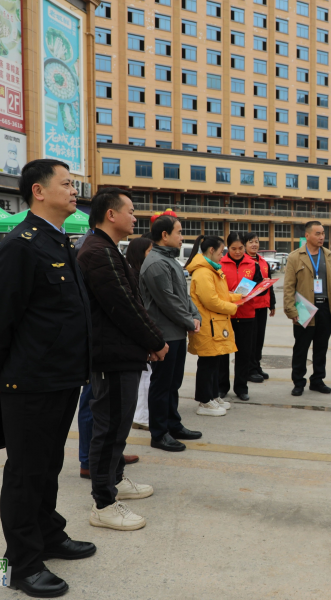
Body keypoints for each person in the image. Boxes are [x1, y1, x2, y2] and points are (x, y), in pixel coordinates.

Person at [0, 159, 95, 598]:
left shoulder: (56, 240)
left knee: (48, 465)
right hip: (28, 380)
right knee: (26, 471)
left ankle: (48, 534)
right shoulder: (21, 244)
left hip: (61, 376)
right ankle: (22, 562)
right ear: (38, 191)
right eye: (66, 183)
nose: (74, 189)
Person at [78, 188, 169, 531]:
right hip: (111, 355)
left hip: (122, 353)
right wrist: (155, 341)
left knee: (118, 426)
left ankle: (114, 480)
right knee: (110, 428)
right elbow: (125, 307)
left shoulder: (107, 249)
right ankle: (103, 503)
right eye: (130, 211)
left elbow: (131, 303)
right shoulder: (97, 252)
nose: (135, 217)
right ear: (111, 215)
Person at [139, 215, 203, 452]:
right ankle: (159, 433)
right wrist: (189, 320)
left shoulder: (171, 261)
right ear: (164, 235)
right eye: (178, 232)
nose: (182, 236)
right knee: (161, 384)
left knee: (173, 383)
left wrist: (194, 315)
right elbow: (168, 301)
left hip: (177, 331)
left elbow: (183, 296)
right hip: (165, 333)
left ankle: (173, 424)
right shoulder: (156, 263)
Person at [282, 221, 331, 396]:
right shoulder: (295, 257)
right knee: (301, 347)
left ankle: (317, 380)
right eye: (317, 233)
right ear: (307, 235)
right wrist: (291, 311)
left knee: (321, 347)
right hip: (303, 307)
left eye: (323, 233)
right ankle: (298, 382)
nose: (322, 236)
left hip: (324, 306)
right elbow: (288, 287)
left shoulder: (329, 256)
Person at [187, 235, 240, 414]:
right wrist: (233, 307)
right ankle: (204, 400)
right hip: (208, 325)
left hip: (215, 324)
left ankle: (212, 394)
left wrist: (240, 297)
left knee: (214, 362)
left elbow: (222, 295)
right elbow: (211, 301)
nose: (222, 255)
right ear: (211, 251)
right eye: (221, 251)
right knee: (207, 363)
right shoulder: (203, 272)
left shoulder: (212, 270)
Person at [218, 231, 259, 401]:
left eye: (241, 248)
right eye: (233, 248)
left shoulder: (252, 264)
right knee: (223, 353)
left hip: (246, 313)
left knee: (244, 352)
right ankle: (222, 386)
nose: (237, 251)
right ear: (228, 248)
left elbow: (257, 285)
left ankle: (241, 387)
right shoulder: (219, 263)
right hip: (225, 314)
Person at [126, 235, 155, 431]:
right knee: (146, 376)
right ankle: (143, 417)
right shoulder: (135, 276)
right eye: (149, 251)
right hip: (139, 334)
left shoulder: (135, 274)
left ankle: (140, 415)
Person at [243, 232, 276, 381]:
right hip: (249, 307)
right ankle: (249, 369)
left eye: (256, 241)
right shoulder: (244, 262)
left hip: (263, 305)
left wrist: (272, 304)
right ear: (245, 245)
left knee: (259, 339)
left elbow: (269, 285)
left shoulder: (263, 262)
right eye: (251, 242)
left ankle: (256, 366)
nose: (254, 244)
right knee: (251, 338)